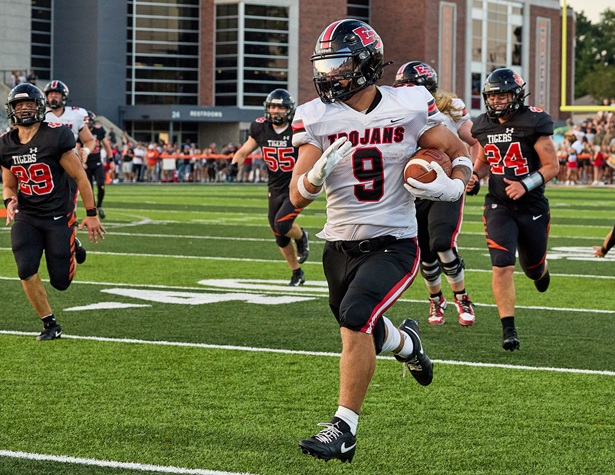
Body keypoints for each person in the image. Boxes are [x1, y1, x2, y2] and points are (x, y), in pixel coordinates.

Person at [289, 19, 473, 463]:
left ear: (367, 64)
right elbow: (296, 195)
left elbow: (458, 149)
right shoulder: (315, 115)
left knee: (356, 318)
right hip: (338, 246)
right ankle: (409, 345)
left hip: (393, 242)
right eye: (325, 66)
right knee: (362, 324)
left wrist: (456, 185)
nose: (330, 75)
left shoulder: (408, 105)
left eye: (340, 64)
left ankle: (343, 430)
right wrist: (314, 176)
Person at [0, 83, 106, 340]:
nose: (24, 109)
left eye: (29, 104)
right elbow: (9, 185)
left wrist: (91, 214)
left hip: (58, 215)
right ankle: (50, 323)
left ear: (39, 107)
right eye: (19, 105)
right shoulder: (5, 144)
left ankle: (73, 244)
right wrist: (10, 201)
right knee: (25, 269)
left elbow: (80, 178)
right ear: (11, 109)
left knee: (61, 282)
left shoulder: (55, 136)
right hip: (27, 216)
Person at [466, 68, 558, 351]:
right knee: (502, 264)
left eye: (502, 95)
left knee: (532, 269)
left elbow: (552, 166)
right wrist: (474, 176)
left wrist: (525, 185)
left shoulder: (534, 121)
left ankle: (541, 270)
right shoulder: (483, 125)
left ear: (516, 95)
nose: (496, 101)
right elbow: (485, 161)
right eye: (492, 96)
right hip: (499, 205)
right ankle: (509, 329)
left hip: (532, 206)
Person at [392, 61, 478, 326]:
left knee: (442, 242)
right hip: (413, 188)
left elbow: (474, 139)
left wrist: (472, 172)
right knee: (425, 250)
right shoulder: (392, 110)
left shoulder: (449, 108)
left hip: (445, 183)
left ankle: (461, 296)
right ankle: (436, 298)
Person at [229, 88, 310, 286]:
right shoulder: (260, 128)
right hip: (274, 187)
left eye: (280, 107)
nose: (276, 111)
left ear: (289, 110)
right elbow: (244, 151)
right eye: (273, 106)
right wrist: (234, 165)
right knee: (279, 235)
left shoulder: (298, 128)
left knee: (282, 224)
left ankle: (302, 237)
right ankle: (297, 272)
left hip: (295, 186)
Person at [44, 80, 97, 263]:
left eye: (57, 94)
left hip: (69, 167)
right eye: (51, 94)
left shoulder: (76, 114)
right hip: (46, 169)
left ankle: (70, 242)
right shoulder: (40, 114)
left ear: (63, 96)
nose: (53, 97)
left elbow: (89, 140)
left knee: (69, 207)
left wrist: (86, 151)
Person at [84, 110, 113, 219]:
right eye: (87, 121)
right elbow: (77, 148)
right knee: (89, 189)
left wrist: (111, 160)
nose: (88, 123)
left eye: (90, 121)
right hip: (86, 164)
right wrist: (81, 162)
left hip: (97, 162)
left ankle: (99, 205)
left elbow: (106, 145)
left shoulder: (98, 131)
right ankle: (92, 209)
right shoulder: (80, 131)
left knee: (101, 185)